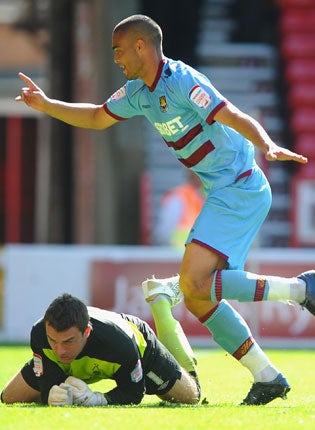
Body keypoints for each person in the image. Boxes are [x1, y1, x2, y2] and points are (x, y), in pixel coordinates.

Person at [15, 14, 315, 405]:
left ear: (141, 46)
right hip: (222, 191)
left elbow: (233, 115)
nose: (117, 59)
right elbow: (95, 116)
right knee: (198, 296)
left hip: (240, 186)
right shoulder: (137, 92)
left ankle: (302, 289)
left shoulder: (183, 81)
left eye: (119, 50)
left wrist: (267, 143)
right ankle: (268, 373)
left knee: (192, 280)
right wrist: (48, 104)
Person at [1, 293, 200, 406]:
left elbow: (133, 393)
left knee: (192, 396)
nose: (60, 351)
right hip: (87, 356)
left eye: (69, 341)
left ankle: (161, 306)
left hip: (140, 349)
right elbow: (48, 385)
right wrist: (51, 394)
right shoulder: (39, 335)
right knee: (8, 398)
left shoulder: (119, 344)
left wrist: (99, 399)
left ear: (86, 331)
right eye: (54, 341)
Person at [154, 170, 204, 249]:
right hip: (176, 255)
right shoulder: (179, 197)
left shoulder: (202, 198)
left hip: (194, 255)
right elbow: (164, 232)